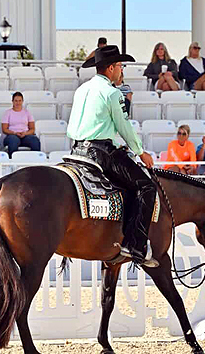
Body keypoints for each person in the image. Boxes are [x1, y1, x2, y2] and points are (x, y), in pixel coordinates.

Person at [67, 44, 158, 267]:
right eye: (120, 66)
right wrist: (140, 152)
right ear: (110, 68)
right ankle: (135, 244)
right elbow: (124, 126)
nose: (121, 70)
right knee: (147, 187)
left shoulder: (81, 90)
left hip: (76, 151)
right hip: (101, 154)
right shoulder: (112, 93)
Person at [1, 91, 41, 157]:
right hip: (12, 135)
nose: (18, 103)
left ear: (22, 101)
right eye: (16, 101)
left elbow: (32, 129)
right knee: (13, 140)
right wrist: (14, 133)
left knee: (34, 140)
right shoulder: (7, 113)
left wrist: (25, 133)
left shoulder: (27, 112)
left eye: (20, 101)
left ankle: (35, 160)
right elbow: (4, 129)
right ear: (12, 101)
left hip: (25, 135)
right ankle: (12, 160)